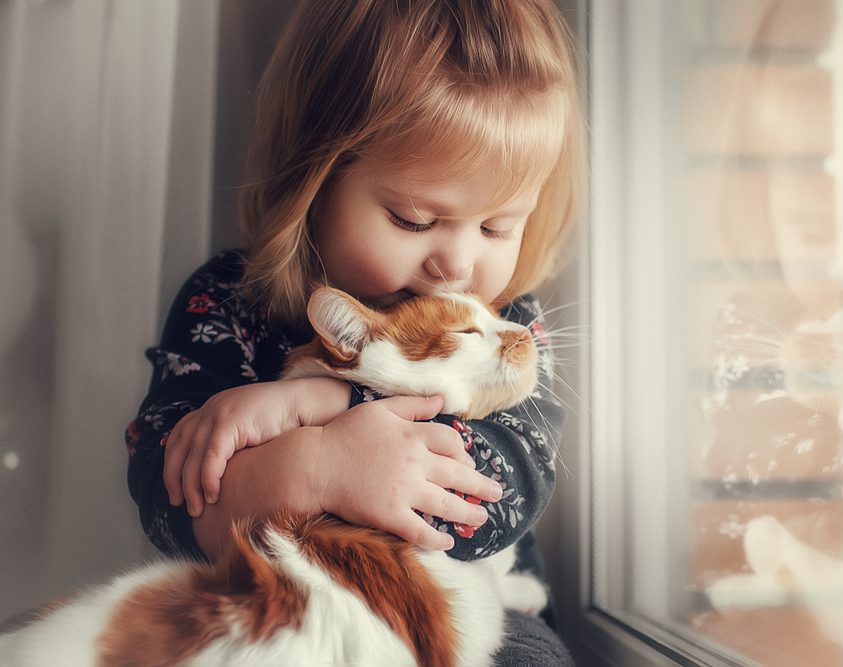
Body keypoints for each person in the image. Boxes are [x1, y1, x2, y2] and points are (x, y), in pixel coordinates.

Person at [126, 0, 583, 663]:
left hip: (468, 611)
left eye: (496, 227)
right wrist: (315, 468)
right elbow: (166, 497)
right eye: (413, 219)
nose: (456, 265)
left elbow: (511, 483)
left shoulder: (505, 320)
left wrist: (330, 403)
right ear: (314, 178)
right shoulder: (230, 302)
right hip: (284, 606)